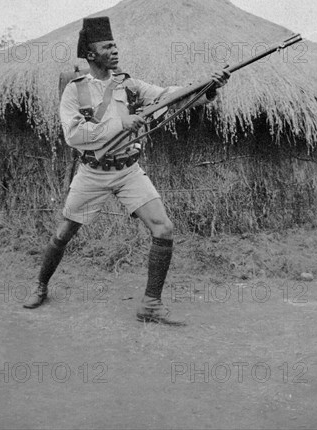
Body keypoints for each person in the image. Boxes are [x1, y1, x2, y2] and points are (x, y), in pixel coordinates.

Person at [24, 17, 230, 325]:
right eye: (107, 46)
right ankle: (41, 284)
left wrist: (209, 87)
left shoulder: (130, 85)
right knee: (64, 233)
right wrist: (121, 123)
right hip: (93, 172)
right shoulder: (75, 91)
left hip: (128, 169)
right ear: (91, 55)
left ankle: (150, 304)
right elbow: (74, 135)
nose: (115, 50)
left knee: (164, 229)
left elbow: (169, 95)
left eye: (115, 45)